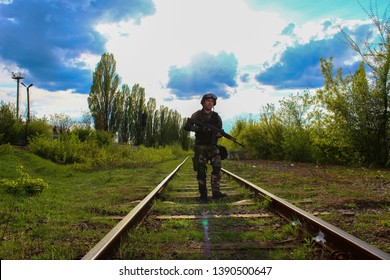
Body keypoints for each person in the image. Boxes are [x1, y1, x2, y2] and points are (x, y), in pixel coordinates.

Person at [184, 93, 227, 203]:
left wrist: (219, 134)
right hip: (200, 146)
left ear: (214, 104)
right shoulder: (197, 115)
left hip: (213, 146)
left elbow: (219, 130)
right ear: (203, 102)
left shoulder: (217, 117)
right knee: (201, 171)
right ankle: (203, 195)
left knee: (217, 167)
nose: (210, 103)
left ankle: (216, 193)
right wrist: (199, 129)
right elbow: (187, 126)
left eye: (212, 101)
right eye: (208, 101)